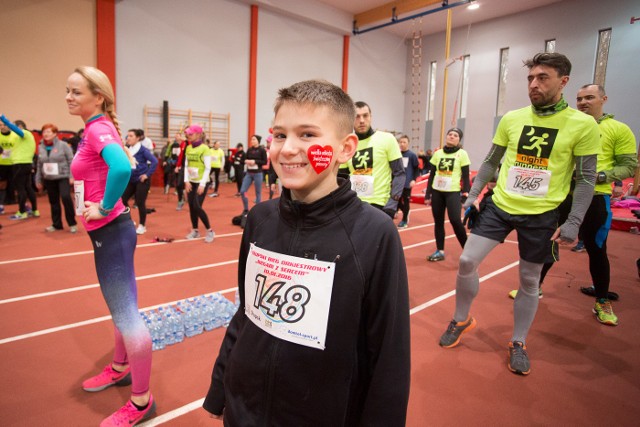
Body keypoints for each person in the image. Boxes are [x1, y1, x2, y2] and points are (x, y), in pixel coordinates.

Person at [203, 79, 410, 425]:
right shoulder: (259, 219)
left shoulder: (375, 234)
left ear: (345, 149)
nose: (287, 149)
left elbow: (389, 357)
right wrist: (220, 387)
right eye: (280, 135)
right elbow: (248, 313)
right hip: (243, 411)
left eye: (308, 135)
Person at [438, 52, 600, 376]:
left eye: (543, 78)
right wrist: (473, 195)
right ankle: (461, 318)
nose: (534, 84)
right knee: (467, 261)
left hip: (541, 214)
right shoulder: (512, 119)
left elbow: (585, 178)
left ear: (563, 81)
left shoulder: (583, 125)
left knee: (528, 280)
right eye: (530, 78)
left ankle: (518, 341)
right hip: (500, 205)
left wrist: (573, 222)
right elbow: (490, 161)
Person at [66, 66, 155, 426]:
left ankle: (141, 401)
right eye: (67, 91)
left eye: (76, 92)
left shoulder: (98, 129)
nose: (69, 97)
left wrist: (102, 205)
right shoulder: (94, 129)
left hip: (112, 230)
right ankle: (120, 367)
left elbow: (121, 170)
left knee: (127, 316)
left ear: (98, 97)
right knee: (122, 308)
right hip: (111, 231)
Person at [573, 84, 637, 325]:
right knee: (548, 242)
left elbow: (628, 166)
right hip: (562, 194)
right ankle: (534, 287)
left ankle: (602, 301)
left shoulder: (618, 129)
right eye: (579, 99)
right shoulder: (570, 125)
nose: (583, 102)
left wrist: (599, 177)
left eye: (589, 97)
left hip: (595, 195)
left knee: (596, 248)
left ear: (603, 99)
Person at [342, 101, 405, 219]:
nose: (361, 120)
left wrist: (392, 204)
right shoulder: (347, 144)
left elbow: (400, 174)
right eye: (357, 116)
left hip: (379, 205)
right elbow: (341, 178)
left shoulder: (387, 139)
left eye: (365, 116)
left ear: (371, 117)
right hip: (353, 204)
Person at [424, 128, 471, 261]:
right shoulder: (438, 154)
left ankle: (468, 251)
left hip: (453, 192)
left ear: (459, 140)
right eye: (449, 134)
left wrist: (465, 193)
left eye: (455, 135)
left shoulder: (462, 154)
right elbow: (432, 175)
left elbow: (466, 177)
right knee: (438, 222)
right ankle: (440, 251)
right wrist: (428, 194)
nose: (451, 136)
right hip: (437, 192)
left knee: (455, 220)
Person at [35, 123, 78, 233]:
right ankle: (57, 224)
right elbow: (39, 164)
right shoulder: (41, 146)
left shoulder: (63, 145)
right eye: (44, 132)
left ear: (55, 134)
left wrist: (72, 176)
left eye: (48, 132)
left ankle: (72, 223)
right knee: (53, 201)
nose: (46, 134)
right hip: (49, 178)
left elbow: (71, 161)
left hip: (63, 176)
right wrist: (38, 179)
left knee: (65, 197)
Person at [0, 116, 39, 219]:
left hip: (20, 164)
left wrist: (3, 118)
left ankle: (22, 212)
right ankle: (35, 210)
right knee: (28, 187)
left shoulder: (25, 133)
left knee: (20, 188)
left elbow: (14, 128)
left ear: (20, 126)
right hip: (25, 164)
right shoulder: (25, 137)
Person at [121, 129, 158, 235]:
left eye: (131, 136)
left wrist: (147, 175)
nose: (128, 138)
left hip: (142, 180)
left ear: (137, 138)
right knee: (122, 199)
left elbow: (155, 161)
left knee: (140, 202)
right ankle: (129, 221)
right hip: (131, 180)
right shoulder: (127, 149)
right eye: (127, 136)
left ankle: (142, 225)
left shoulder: (143, 150)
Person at [183, 124, 215, 243]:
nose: (188, 136)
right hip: (191, 182)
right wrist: (186, 180)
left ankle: (210, 230)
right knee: (191, 207)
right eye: (187, 134)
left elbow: (208, 167)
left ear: (198, 134)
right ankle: (195, 230)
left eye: (190, 134)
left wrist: (202, 184)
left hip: (202, 182)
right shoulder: (188, 148)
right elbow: (186, 165)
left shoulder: (205, 149)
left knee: (197, 206)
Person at [239, 134, 267, 214]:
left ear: (258, 141)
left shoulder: (262, 150)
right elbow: (245, 159)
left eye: (254, 139)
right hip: (248, 173)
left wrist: (255, 162)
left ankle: (257, 211)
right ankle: (246, 209)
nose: (252, 141)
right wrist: (246, 161)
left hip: (258, 173)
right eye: (251, 139)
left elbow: (264, 162)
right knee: (242, 191)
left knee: (258, 193)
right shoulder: (249, 150)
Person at [397, 134, 419, 228]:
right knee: (396, 200)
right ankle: (406, 211)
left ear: (408, 143)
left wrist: (414, 179)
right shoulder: (396, 154)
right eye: (400, 142)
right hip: (397, 182)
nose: (402, 144)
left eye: (404, 142)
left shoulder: (412, 155)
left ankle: (404, 220)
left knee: (406, 201)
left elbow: (417, 169)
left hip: (407, 182)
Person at [0, 118, 18, 214]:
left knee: (13, 182)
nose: (2, 127)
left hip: (13, 162)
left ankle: (13, 200)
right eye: (0, 125)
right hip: (1, 163)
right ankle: (2, 203)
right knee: (2, 184)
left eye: (4, 125)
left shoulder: (15, 136)